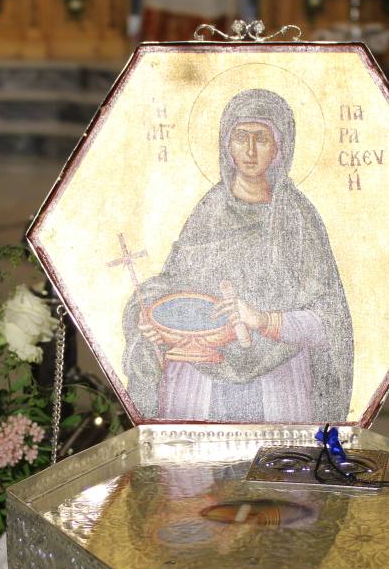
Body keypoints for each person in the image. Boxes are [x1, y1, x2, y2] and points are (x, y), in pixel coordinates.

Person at [121, 88, 354, 423]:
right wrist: (152, 324)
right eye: (240, 137)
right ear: (226, 145)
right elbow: (174, 290)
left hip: (278, 383)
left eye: (261, 138)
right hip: (198, 384)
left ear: (280, 148)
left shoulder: (298, 219)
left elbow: (329, 321)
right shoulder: (208, 212)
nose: (249, 151)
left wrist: (263, 320)